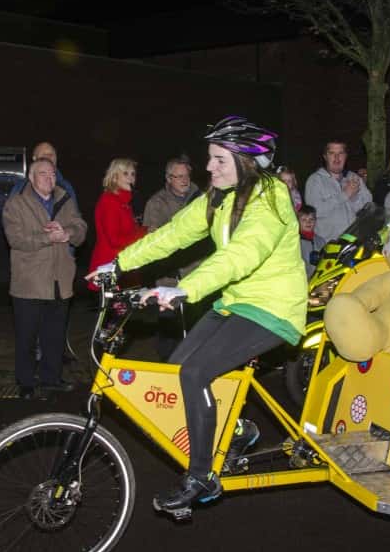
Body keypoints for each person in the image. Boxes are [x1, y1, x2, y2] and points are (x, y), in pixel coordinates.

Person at [88, 115, 306, 518]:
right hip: (236, 300)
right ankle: (239, 430)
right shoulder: (218, 197)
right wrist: (116, 265)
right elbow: (172, 235)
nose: (209, 168)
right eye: (210, 159)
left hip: (274, 307)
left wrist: (187, 288)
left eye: (219, 160)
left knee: (196, 373)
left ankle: (202, 475)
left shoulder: (271, 197)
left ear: (245, 161)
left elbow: (243, 253)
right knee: (178, 367)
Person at [3, 156, 87, 401]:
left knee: (55, 335)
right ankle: (26, 382)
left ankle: (51, 379)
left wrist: (67, 234)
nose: (49, 178)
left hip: (60, 281)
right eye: (42, 174)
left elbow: (81, 229)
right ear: (31, 177)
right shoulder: (17, 203)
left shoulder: (65, 199)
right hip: (29, 283)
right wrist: (47, 237)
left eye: (52, 173)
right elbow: (15, 239)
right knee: (27, 337)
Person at [142, 155, 206, 360]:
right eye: (178, 177)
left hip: (199, 274)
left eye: (186, 175)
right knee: (170, 329)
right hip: (170, 276)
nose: (184, 180)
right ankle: (167, 369)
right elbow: (153, 239)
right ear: (168, 178)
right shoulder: (156, 203)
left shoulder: (203, 197)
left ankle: (196, 366)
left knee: (199, 326)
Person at [87, 158, 146, 290]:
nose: (130, 178)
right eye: (125, 174)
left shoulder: (124, 202)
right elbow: (115, 240)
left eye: (133, 174)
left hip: (122, 268)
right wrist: (144, 232)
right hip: (111, 269)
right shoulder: (109, 202)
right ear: (114, 177)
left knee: (128, 309)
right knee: (119, 309)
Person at [304, 140, 372, 243]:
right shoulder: (315, 180)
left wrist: (354, 198)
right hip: (328, 246)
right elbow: (314, 212)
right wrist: (344, 195)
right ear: (325, 157)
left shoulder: (354, 178)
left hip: (355, 243)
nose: (336, 158)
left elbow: (368, 208)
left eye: (340, 153)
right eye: (332, 153)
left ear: (346, 156)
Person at [297, 204, 324, 278]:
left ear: (315, 221)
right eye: (304, 220)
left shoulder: (320, 241)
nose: (308, 222)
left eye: (311, 219)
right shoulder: (296, 242)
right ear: (297, 221)